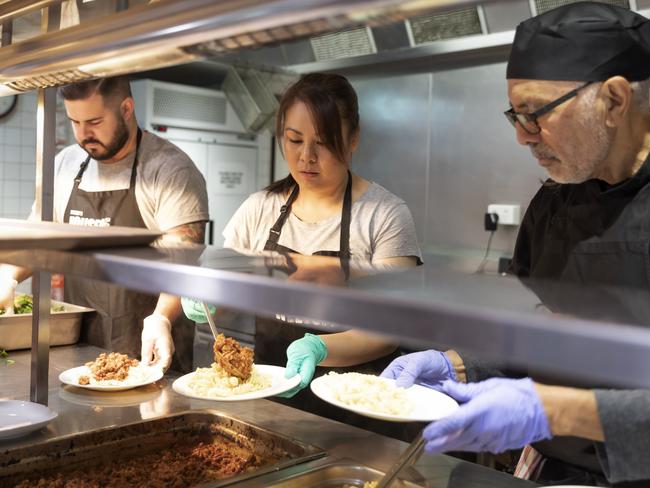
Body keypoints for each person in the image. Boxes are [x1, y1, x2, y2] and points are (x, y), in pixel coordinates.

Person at [383, 3, 650, 486]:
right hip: (556, 469)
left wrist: (551, 410)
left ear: (613, 101)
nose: (523, 138)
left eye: (536, 114)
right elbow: (529, 335)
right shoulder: (552, 205)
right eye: (515, 115)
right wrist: (456, 364)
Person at [183, 73, 421, 431]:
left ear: (353, 139)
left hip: (356, 412)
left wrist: (319, 348)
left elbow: (390, 328)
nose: (306, 157)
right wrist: (208, 297)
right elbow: (224, 280)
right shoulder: (259, 208)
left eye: (323, 143)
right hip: (270, 401)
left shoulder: (384, 214)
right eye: (294, 140)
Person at [0, 76, 209, 372]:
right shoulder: (65, 165)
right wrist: (8, 277)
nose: (84, 134)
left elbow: (183, 261)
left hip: (151, 351)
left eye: (95, 121)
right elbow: (39, 238)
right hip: (80, 352)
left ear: (126, 108)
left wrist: (161, 317)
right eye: (75, 122)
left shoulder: (170, 170)